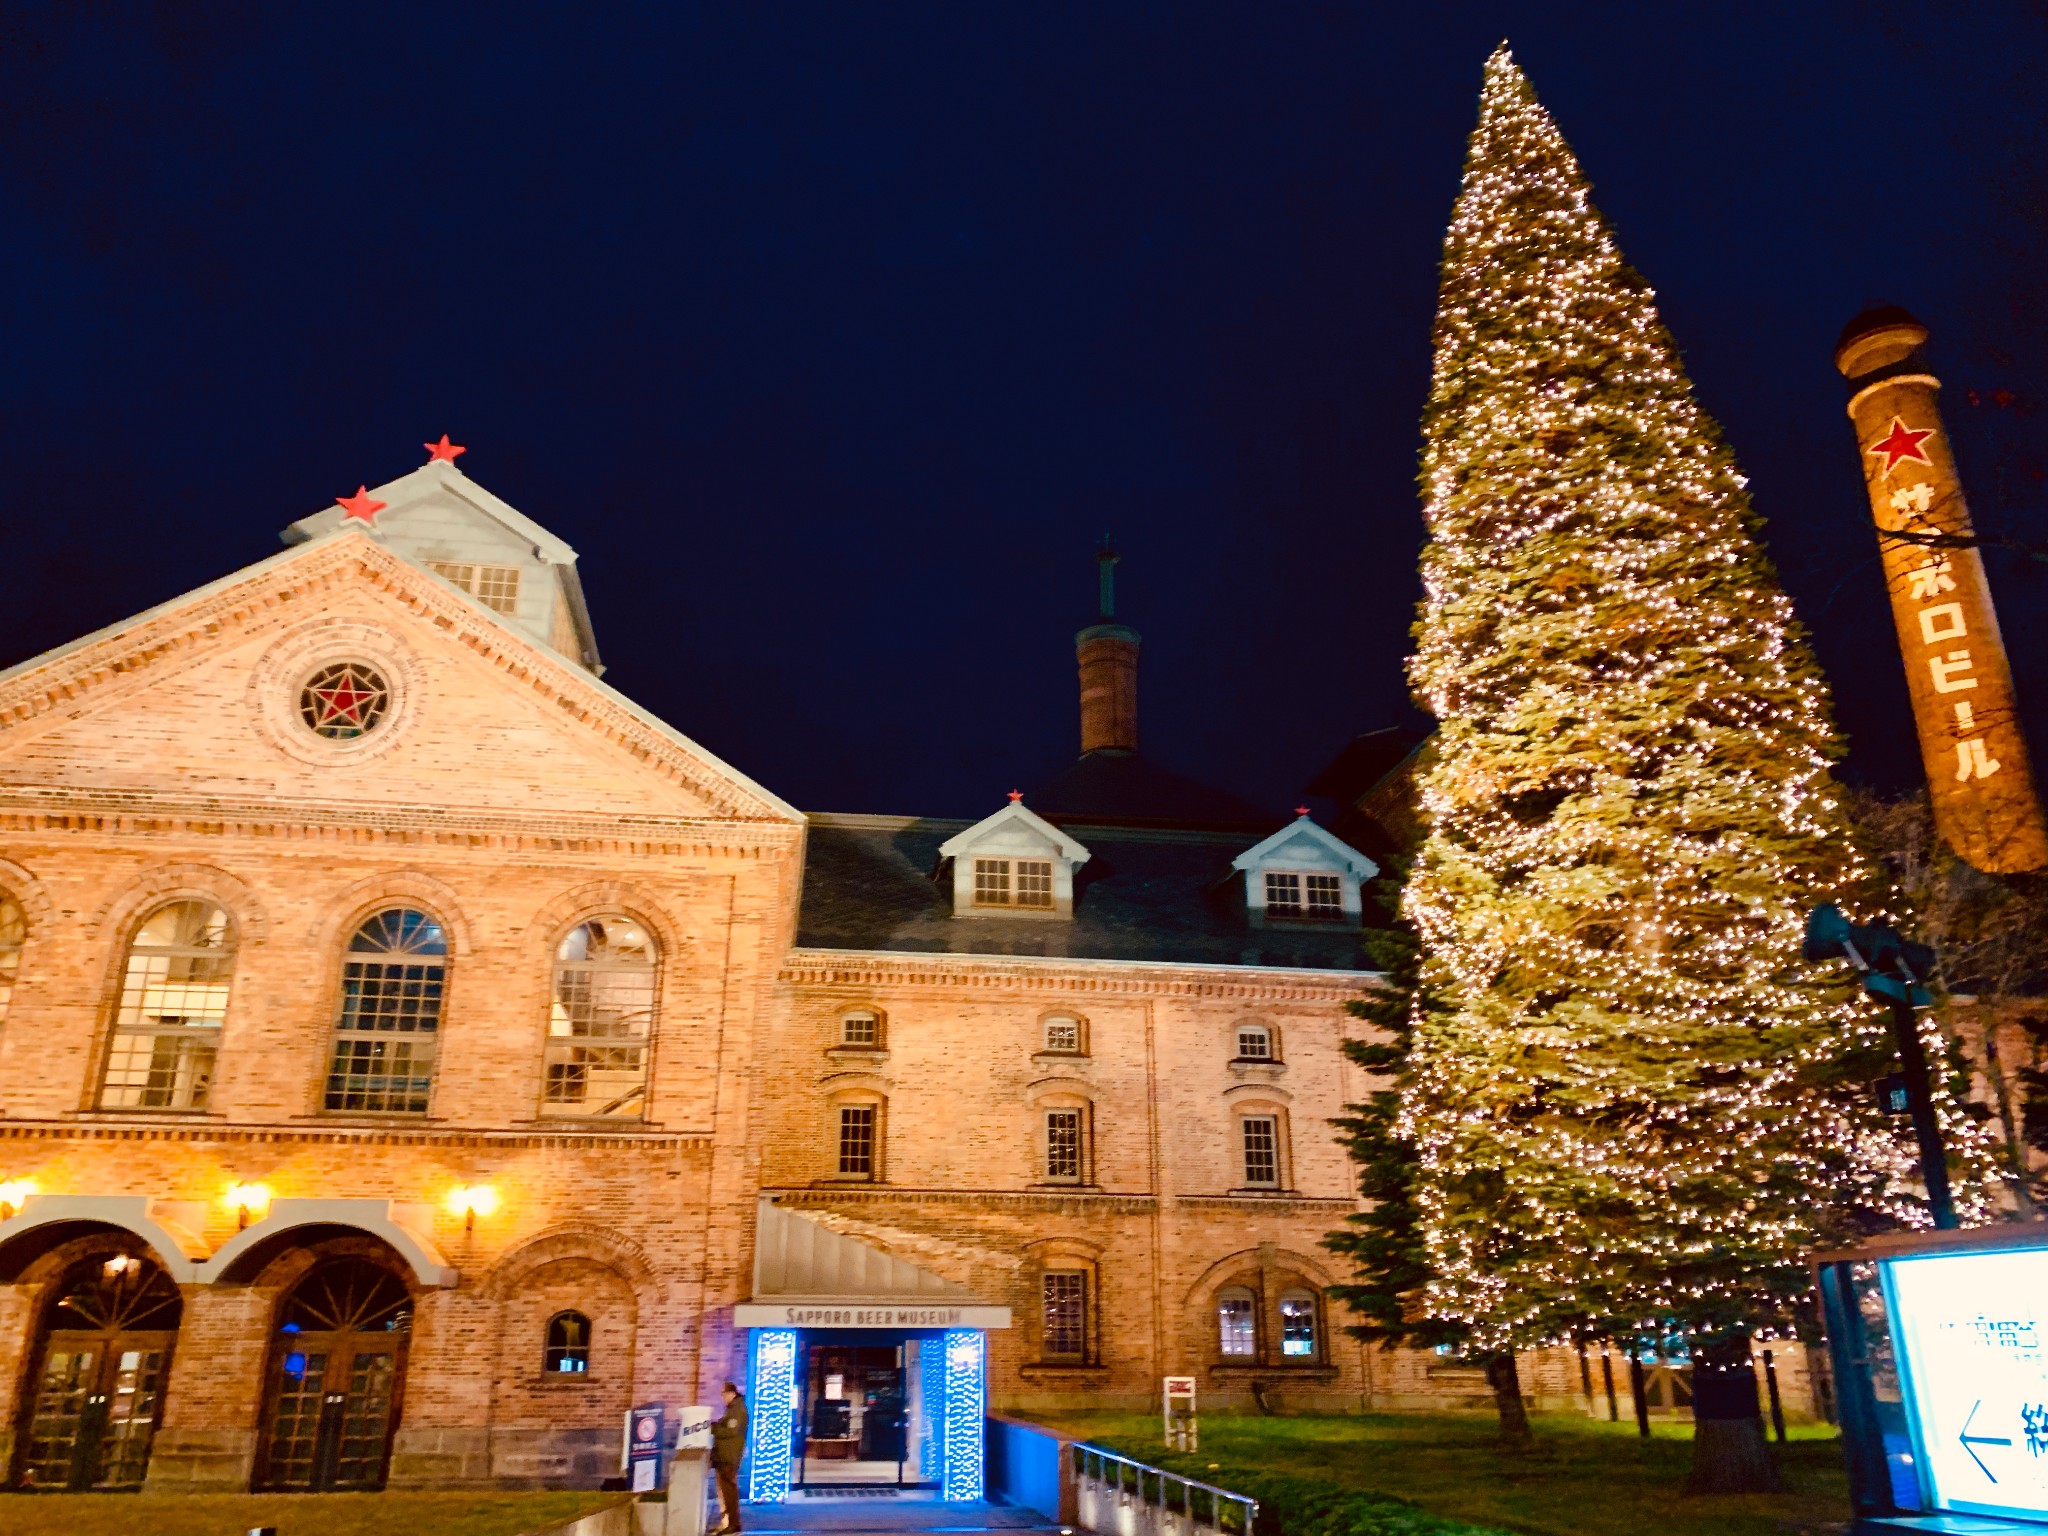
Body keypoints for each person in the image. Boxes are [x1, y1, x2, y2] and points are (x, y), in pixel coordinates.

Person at [711, 1380, 749, 1533]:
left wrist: (713, 1430)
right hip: (724, 1455)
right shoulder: (732, 1408)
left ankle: (733, 1523)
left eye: (724, 1394)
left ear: (731, 1393)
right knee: (725, 1491)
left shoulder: (737, 1409)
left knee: (729, 1491)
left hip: (729, 1456)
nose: (722, 1398)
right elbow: (725, 1425)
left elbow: (731, 1431)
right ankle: (728, 1522)